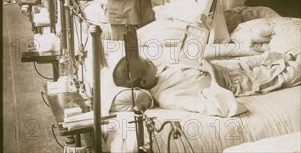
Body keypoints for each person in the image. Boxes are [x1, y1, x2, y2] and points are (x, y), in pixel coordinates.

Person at [112, 51, 300, 117]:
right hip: (231, 83)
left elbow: (184, 69)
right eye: (146, 63)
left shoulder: (159, 73)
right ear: (143, 81)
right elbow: (214, 107)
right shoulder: (167, 96)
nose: (150, 60)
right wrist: (210, 72)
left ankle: (289, 56)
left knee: (264, 58)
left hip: (222, 68)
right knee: (284, 74)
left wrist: (201, 64)